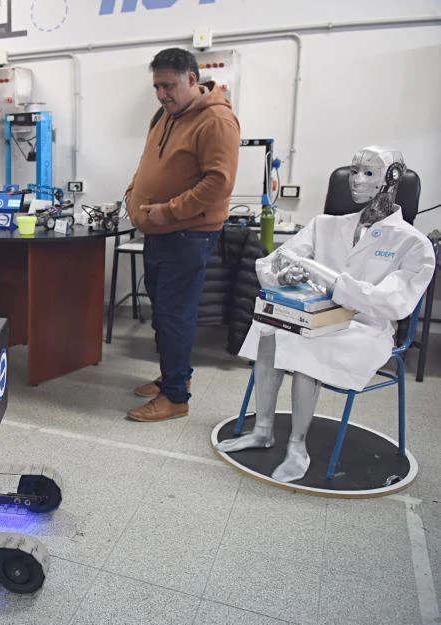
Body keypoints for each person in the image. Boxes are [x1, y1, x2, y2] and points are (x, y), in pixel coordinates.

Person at [217, 147, 435, 482]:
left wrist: (330, 280)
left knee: (309, 342)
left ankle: (297, 445)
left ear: (391, 179)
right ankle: (262, 430)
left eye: (368, 173)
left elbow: (392, 303)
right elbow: (271, 262)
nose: (356, 180)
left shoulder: (413, 243)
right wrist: (282, 274)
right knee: (269, 329)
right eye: (354, 170)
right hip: (316, 315)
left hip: (365, 328)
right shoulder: (326, 225)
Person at [124, 47, 240, 423]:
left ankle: (175, 397)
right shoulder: (164, 115)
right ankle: (174, 377)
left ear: (192, 79)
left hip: (187, 235)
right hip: (160, 233)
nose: (162, 94)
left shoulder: (216, 121)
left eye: (169, 85)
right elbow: (148, 165)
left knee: (175, 315)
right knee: (164, 313)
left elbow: (218, 184)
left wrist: (167, 211)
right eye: (157, 86)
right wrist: (132, 195)